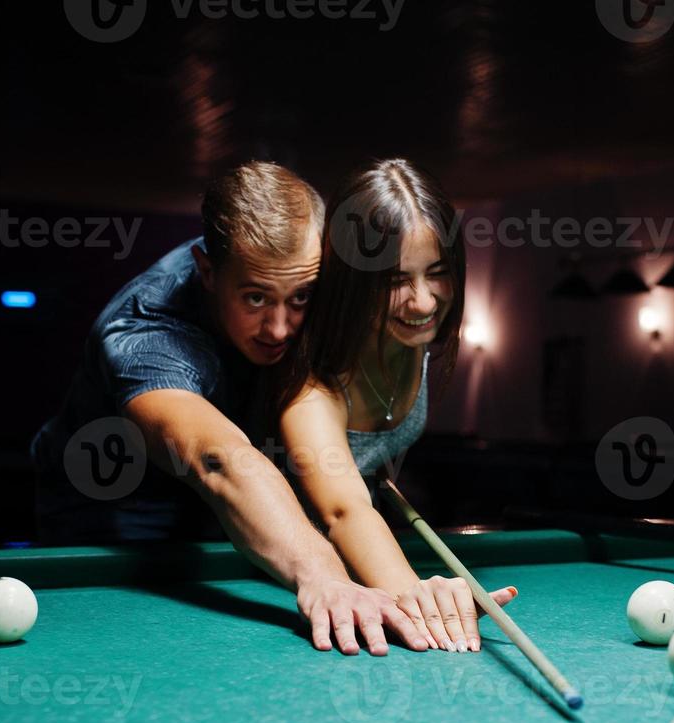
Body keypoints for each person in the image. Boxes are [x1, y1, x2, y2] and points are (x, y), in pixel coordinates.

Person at [31, 161, 431, 656]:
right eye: (256, 297)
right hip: (116, 519)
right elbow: (215, 456)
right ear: (207, 271)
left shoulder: (311, 281)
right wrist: (325, 575)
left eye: (300, 297)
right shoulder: (145, 329)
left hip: (237, 514)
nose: (280, 328)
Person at [270, 159, 515, 654]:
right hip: (289, 561)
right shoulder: (314, 387)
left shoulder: (411, 338)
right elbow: (343, 509)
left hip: (359, 556)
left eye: (438, 273)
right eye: (394, 281)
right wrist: (411, 591)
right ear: (352, 281)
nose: (424, 301)